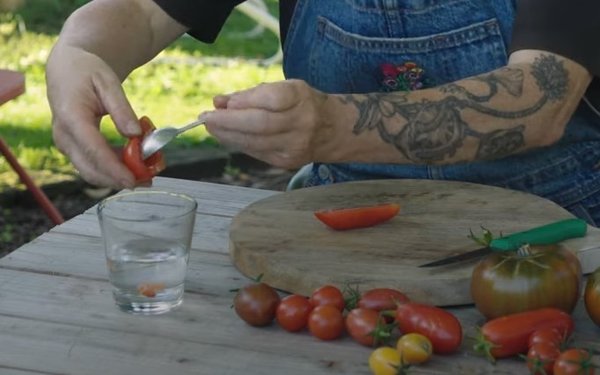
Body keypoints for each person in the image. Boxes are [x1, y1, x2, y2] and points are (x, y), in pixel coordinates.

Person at [46, 0, 600, 225]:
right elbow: (142, 12)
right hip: (337, 237)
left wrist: (334, 126)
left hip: (555, 234)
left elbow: (541, 96)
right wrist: (78, 54)